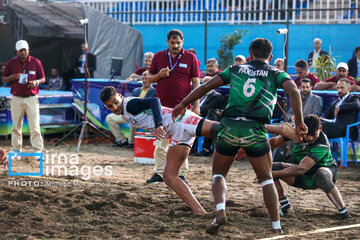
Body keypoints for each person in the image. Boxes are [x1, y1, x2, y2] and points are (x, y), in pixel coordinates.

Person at [172, 38, 307, 234]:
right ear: (270, 57)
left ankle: (219, 212)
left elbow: (206, 86)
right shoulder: (275, 72)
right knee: (267, 179)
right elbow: (293, 89)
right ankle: (276, 227)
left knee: (218, 175)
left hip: (229, 128)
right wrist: (300, 122)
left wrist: (183, 103)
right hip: (256, 129)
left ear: (250, 55)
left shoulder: (235, 69)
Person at [100, 86, 219, 214]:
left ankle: (241, 131)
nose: (115, 108)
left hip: (181, 121)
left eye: (116, 102)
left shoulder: (130, 105)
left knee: (224, 132)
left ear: (121, 97)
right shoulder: (125, 110)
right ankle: (199, 211)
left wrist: (158, 124)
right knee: (168, 176)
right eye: (110, 106)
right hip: (177, 133)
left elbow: (154, 100)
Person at [269, 114, 351, 220]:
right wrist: (251, 150)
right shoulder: (296, 132)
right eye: (307, 134)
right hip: (303, 174)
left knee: (321, 176)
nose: (310, 138)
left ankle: (344, 212)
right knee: (270, 168)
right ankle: (286, 207)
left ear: (320, 128)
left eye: (314, 134)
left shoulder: (321, 143)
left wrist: (271, 175)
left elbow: (302, 168)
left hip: (324, 172)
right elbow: (274, 142)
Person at [147, 29, 201, 184]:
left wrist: (196, 105)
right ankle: (158, 173)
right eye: (173, 42)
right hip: (162, 108)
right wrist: (159, 75)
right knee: (161, 142)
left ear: (182, 42)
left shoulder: (191, 57)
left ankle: (181, 174)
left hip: (183, 109)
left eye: (178, 42)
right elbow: (149, 79)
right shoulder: (158, 56)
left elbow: (196, 82)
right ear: (167, 42)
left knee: (182, 143)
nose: (176, 45)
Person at [2, 40, 45, 156]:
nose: (23, 52)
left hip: (32, 98)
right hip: (16, 98)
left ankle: (37, 151)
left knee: (35, 126)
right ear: (16, 51)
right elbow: (3, 78)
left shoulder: (36, 62)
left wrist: (36, 82)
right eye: (20, 50)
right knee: (16, 126)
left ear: (28, 50)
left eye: (24, 50)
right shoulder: (11, 63)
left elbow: (43, 78)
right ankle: (16, 150)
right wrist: (12, 77)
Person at [106, 71, 156, 148]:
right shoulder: (136, 91)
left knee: (133, 118)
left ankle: (131, 142)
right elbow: (127, 102)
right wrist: (123, 113)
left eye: (147, 79)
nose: (145, 80)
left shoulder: (154, 92)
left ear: (152, 80)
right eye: (143, 79)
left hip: (142, 117)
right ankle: (122, 140)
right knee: (109, 118)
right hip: (128, 114)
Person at [194, 90, 226, 157]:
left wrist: (195, 108)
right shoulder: (203, 95)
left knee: (208, 124)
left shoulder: (217, 96)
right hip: (203, 115)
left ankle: (206, 149)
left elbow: (209, 108)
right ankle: (193, 148)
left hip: (211, 117)